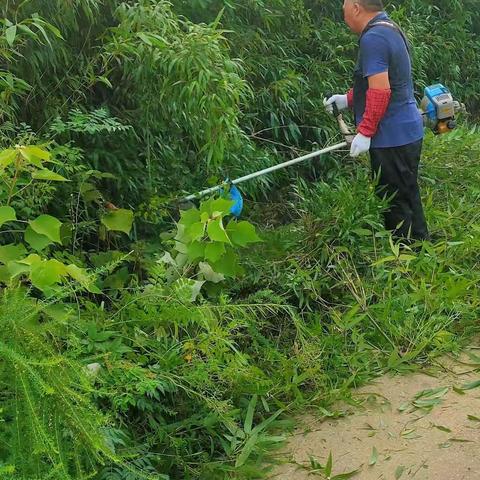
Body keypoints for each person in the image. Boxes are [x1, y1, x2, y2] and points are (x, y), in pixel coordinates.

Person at [324, 0, 429, 241]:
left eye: (345, 3)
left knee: (394, 203)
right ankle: (421, 247)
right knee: (407, 193)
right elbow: (378, 82)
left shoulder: (374, 38)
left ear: (356, 7)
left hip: (392, 137)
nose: (342, 9)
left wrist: (365, 132)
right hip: (405, 132)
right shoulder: (387, 27)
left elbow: (381, 91)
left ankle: (405, 260)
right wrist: (347, 100)